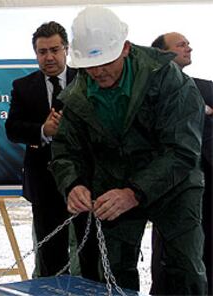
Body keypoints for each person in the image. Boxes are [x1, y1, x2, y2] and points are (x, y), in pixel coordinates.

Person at [50, 6, 207, 295]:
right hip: (113, 187)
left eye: (105, 62)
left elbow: (183, 150)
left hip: (175, 185)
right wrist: (72, 184)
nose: (97, 72)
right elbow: (65, 150)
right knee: (113, 271)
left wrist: (134, 192)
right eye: (89, 65)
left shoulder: (167, 78)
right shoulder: (76, 94)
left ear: (125, 48)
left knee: (184, 267)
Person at [5, 21, 99, 279]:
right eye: (42, 51)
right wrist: (43, 130)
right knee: (50, 254)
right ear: (35, 53)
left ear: (66, 49)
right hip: (43, 183)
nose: (49, 57)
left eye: (55, 50)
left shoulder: (88, 79)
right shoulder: (23, 86)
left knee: (91, 252)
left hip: (85, 180)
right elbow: (12, 129)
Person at [151, 32, 213, 295]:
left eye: (188, 43)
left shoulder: (207, 88)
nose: (189, 48)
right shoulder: (150, 90)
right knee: (169, 251)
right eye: (181, 44)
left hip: (207, 182)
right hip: (168, 183)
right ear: (164, 54)